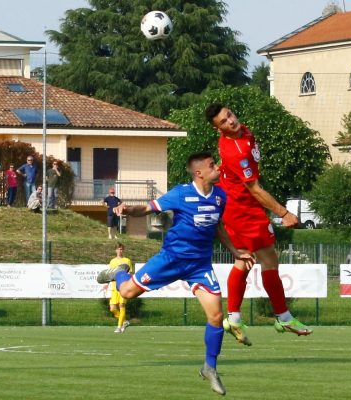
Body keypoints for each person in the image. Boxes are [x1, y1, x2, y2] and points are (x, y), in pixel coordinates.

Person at [97, 152, 254, 396]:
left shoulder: (220, 196)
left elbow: (218, 227)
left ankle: (209, 368)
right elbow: (148, 208)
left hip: (200, 266)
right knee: (127, 292)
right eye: (213, 166)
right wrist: (128, 209)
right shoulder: (181, 194)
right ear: (199, 172)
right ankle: (119, 271)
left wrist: (235, 251)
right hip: (170, 260)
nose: (218, 168)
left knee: (216, 315)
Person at [205, 103, 312, 345]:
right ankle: (283, 317)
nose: (230, 121)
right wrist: (283, 212)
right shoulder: (236, 150)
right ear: (218, 129)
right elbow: (254, 188)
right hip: (244, 209)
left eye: (229, 115)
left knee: (244, 260)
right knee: (267, 259)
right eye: (223, 122)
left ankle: (233, 318)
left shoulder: (244, 132)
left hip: (236, 205)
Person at [106, 242, 134, 333]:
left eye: (121, 249)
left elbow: (130, 273)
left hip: (124, 286)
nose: (120, 251)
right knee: (113, 308)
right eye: (118, 249)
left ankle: (119, 327)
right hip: (114, 286)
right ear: (115, 250)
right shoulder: (112, 261)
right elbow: (111, 274)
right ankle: (124, 321)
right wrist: (107, 284)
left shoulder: (127, 260)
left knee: (122, 305)